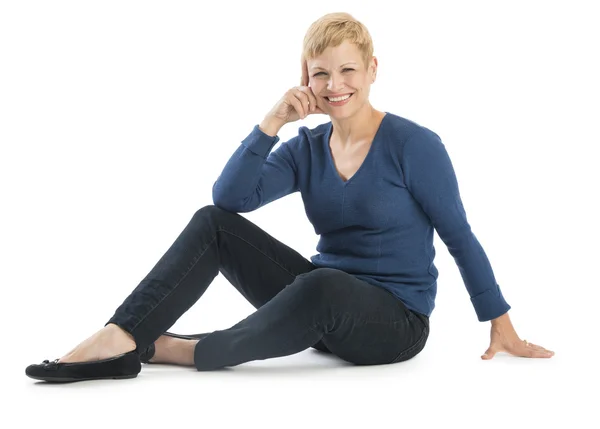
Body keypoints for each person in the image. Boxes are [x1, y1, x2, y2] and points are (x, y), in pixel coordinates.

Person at [26, 12, 554, 382]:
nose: (334, 84)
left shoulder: (415, 146)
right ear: (306, 76)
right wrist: (272, 122)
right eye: (320, 72)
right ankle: (121, 337)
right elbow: (230, 199)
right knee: (212, 222)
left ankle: (181, 349)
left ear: (372, 70)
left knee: (322, 283)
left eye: (348, 69)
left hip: (393, 323)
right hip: (318, 303)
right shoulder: (306, 147)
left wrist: (500, 323)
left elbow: (459, 235)